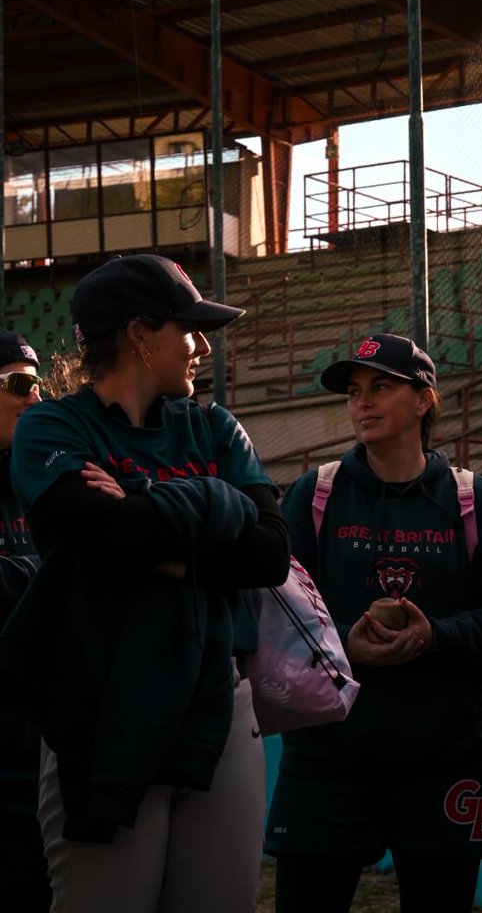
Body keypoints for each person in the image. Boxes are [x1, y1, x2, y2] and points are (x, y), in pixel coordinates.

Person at [0, 253, 290, 913]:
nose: (202, 345)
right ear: (139, 332)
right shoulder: (53, 424)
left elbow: (269, 553)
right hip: (101, 704)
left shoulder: (214, 425)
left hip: (217, 697)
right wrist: (212, 505)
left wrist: (137, 498)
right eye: (189, 327)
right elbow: (94, 537)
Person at [264, 332, 482, 913]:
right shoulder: (315, 495)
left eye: (381, 388)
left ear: (423, 400)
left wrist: (433, 636)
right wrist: (346, 646)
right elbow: (273, 618)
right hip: (327, 760)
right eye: (355, 391)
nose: (362, 402)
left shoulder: (474, 500)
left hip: (448, 760)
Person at [0, 329, 51, 912]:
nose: (33, 400)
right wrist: (45, 575)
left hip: (33, 748)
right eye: (18, 384)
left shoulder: (38, 477)